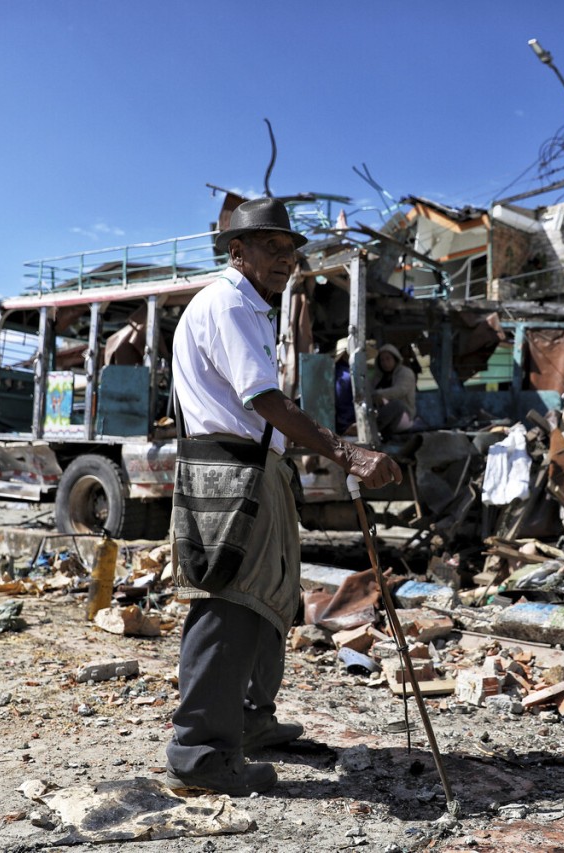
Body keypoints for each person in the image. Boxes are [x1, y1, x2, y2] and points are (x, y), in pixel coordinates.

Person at [165, 198, 401, 797]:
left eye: (290, 250)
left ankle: (250, 724)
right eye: (272, 247)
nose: (286, 260)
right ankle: (200, 754)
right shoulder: (230, 303)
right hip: (230, 467)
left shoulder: (246, 305)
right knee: (231, 601)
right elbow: (264, 401)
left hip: (251, 465)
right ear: (236, 251)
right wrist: (346, 452)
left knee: (271, 596)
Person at [372, 343, 417, 436]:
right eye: (382, 360)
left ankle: (374, 430)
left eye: (388, 359)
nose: (385, 363)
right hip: (381, 412)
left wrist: (378, 394)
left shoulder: (406, 373)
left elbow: (399, 390)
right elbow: (370, 392)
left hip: (404, 414)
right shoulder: (378, 377)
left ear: (395, 359)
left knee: (396, 404)